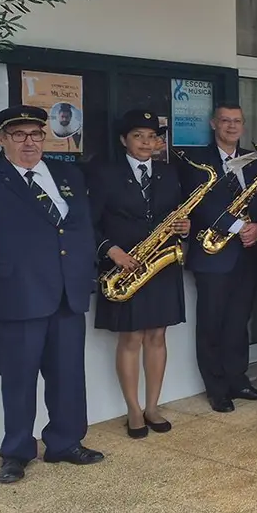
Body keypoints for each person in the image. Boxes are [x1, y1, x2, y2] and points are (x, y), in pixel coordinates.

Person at [0, 105, 104, 483]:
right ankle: (16, 452)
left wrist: (87, 276)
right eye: (19, 135)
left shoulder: (68, 174)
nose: (29, 142)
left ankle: (65, 442)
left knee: (68, 377)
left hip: (66, 296)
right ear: (2, 140)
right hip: (13, 298)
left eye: (35, 134)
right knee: (18, 380)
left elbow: (79, 230)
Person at [89, 110, 189, 438]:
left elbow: (177, 216)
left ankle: (153, 406)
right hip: (124, 265)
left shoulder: (169, 173)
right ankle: (133, 409)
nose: (147, 143)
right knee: (131, 337)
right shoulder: (104, 173)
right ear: (123, 140)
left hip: (159, 264)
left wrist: (185, 229)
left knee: (157, 335)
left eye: (152, 137)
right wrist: (110, 250)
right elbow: (89, 222)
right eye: (138, 136)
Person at [183, 103, 257, 412]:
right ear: (213, 124)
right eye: (225, 121)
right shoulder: (197, 161)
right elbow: (199, 205)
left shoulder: (255, 161)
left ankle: (239, 380)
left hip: (248, 254)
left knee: (238, 322)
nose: (231, 126)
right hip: (214, 254)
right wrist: (237, 227)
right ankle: (216, 388)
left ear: (243, 126)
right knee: (212, 324)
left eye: (236, 121)